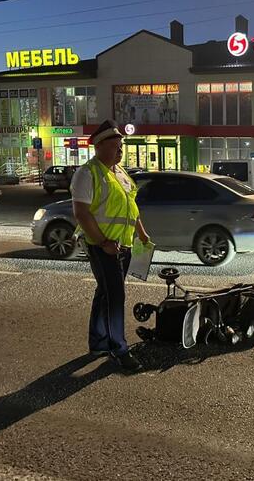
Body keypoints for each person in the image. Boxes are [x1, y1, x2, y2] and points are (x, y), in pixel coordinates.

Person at [70, 119, 150, 372]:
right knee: (115, 296)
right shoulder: (88, 173)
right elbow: (81, 212)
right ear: (99, 146)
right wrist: (103, 242)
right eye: (116, 146)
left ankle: (99, 341)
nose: (120, 151)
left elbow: (131, 207)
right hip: (102, 245)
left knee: (105, 293)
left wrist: (141, 233)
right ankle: (119, 349)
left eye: (121, 147)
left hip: (122, 245)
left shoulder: (120, 173)